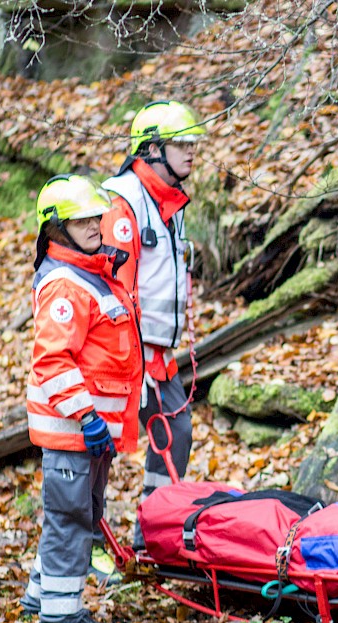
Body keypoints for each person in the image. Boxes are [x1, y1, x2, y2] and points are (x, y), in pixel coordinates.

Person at [21, 174, 143, 623]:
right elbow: (53, 362)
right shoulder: (66, 286)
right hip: (74, 429)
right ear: (56, 228)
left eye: (96, 216)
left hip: (93, 432)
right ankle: (60, 614)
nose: (96, 225)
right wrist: (88, 417)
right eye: (82, 219)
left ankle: (40, 595)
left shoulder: (93, 274)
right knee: (71, 519)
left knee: (78, 515)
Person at [100, 100, 205, 565]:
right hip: (121, 355)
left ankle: (152, 533)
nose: (191, 153)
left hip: (157, 353)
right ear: (152, 150)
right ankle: (83, 547)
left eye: (193, 144)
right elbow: (113, 291)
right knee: (96, 450)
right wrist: (132, 358)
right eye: (182, 145)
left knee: (175, 434)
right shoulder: (124, 203)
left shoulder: (170, 202)